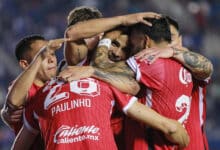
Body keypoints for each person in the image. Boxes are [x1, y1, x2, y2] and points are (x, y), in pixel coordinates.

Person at [135, 16, 213, 150]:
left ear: (180, 40)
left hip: (192, 144)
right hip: (155, 142)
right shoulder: (148, 65)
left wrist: (172, 51)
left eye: (171, 38)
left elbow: (207, 67)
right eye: (163, 39)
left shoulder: (192, 66)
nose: (167, 44)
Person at [0, 35, 68, 149]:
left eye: (52, 54)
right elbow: (14, 101)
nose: (51, 59)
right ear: (25, 64)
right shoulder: (25, 88)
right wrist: (5, 111)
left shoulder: (61, 82)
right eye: (42, 56)